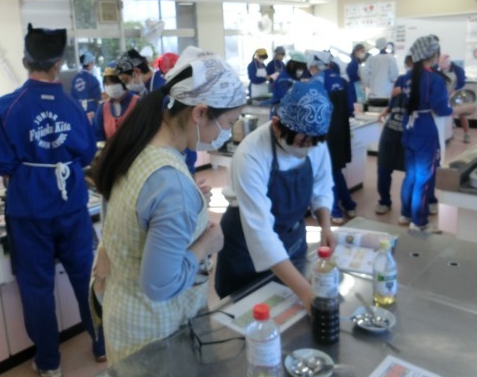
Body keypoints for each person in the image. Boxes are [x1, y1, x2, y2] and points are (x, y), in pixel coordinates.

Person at [90, 46, 246, 364]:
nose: (228, 133)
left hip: (124, 319)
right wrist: (206, 242)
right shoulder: (170, 182)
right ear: (199, 113)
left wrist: (187, 205)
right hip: (156, 338)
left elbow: (139, 211)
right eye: (228, 122)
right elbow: (160, 285)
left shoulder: (138, 147)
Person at [0, 24, 104, 377]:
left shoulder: (6, 107)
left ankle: (49, 362)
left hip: (29, 209)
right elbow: (86, 154)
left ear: (25, 62)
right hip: (72, 207)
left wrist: (31, 167)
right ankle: (102, 344)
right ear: (58, 64)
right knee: (87, 276)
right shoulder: (73, 107)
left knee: (36, 286)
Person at [214, 80, 336, 310]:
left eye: (314, 142)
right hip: (246, 246)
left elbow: (322, 187)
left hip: (292, 239)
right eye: (301, 142)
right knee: (247, 313)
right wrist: (307, 293)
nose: (308, 149)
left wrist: (326, 226)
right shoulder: (251, 155)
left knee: (288, 310)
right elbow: (260, 232)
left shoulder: (313, 138)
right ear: (278, 125)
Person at [399, 35, 472, 233]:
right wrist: (463, 109)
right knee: (424, 177)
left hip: (409, 128)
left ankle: (405, 214)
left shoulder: (408, 76)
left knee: (411, 175)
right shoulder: (434, 78)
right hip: (425, 130)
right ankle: (419, 222)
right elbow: (442, 109)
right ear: (434, 55)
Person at [307, 51, 356, 225]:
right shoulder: (342, 81)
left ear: (315, 67)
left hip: (324, 134)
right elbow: (351, 109)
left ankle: (335, 210)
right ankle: (349, 205)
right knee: (336, 170)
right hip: (341, 133)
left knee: (328, 172)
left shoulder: (315, 83)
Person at [375, 55, 414, 215]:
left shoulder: (425, 82)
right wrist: (385, 111)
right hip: (391, 130)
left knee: (411, 171)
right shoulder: (401, 79)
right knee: (383, 168)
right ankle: (384, 201)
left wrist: (404, 91)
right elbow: (393, 99)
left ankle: (408, 207)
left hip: (410, 132)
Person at [93, 67, 140, 142]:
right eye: (107, 84)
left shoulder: (138, 103)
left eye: (114, 83)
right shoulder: (102, 108)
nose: (111, 87)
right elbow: (98, 134)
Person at [435, 53, 470, 143]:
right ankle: (449, 133)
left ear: (448, 63)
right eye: (439, 64)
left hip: (458, 94)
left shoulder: (458, 70)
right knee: (448, 114)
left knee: (462, 114)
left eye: (442, 64)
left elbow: (461, 82)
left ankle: (466, 134)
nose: (440, 66)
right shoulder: (438, 70)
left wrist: (454, 89)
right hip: (444, 95)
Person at [361, 37, 399, 108]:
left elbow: (364, 74)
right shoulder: (391, 58)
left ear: (376, 46)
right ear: (386, 46)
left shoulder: (371, 59)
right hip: (386, 97)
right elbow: (394, 77)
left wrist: (370, 84)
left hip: (373, 97)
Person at [71, 50, 102, 123]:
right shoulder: (92, 79)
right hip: (92, 110)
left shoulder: (74, 79)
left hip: (78, 110)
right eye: (93, 62)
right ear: (90, 63)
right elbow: (98, 99)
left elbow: (72, 96)